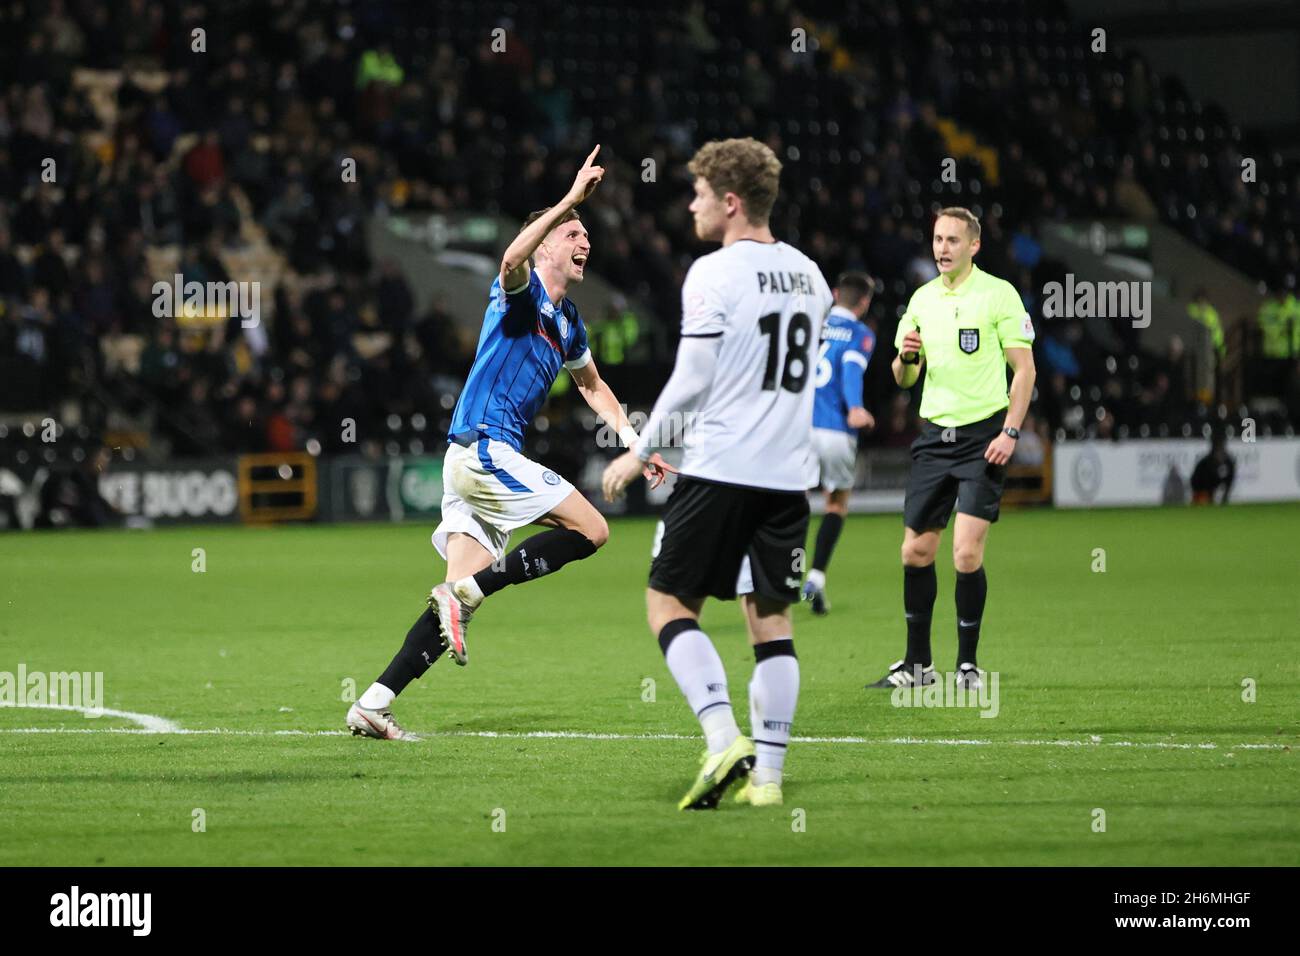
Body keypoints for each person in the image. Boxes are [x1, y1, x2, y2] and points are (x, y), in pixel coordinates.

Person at [347, 146, 669, 740]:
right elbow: (509, 257)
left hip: (468, 462)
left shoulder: (569, 321)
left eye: (585, 233)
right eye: (573, 232)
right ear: (546, 243)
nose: (584, 241)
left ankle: (374, 701)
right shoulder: (519, 295)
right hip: (486, 450)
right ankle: (468, 588)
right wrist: (568, 198)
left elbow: (593, 385)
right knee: (592, 531)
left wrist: (633, 441)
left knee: (456, 605)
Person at [602, 138, 833, 809]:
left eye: (700, 193)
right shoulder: (812, 277)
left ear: (730, 203)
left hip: (723, 467)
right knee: (772, 622)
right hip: (789, 479)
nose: (691, 203)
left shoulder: (711, 274)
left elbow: (693, 380)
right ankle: (767, 781)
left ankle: (723, 735)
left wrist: (638, 448)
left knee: (668, 604)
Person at [867, 207, 1036, 692]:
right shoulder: (920, 301)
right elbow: (904, 379)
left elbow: (1024, 370)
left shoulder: (998, 294)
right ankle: (918, 666)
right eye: (938, 239)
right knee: (916, 550)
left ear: (973, 246)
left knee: (965, 553)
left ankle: (967, 665)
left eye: (952, 241)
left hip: (984, 437)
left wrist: (1010, 431)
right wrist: (905, 357)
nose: (942, 248)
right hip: (933, 438)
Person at [800, 271, 876, 615]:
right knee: (836, 504)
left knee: (790, 501)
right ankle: (815, 575)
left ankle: (782, 573)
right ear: (865, 302)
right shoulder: (861, 334)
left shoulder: (810, 327)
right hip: (834, 429)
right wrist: (856, 406)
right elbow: (850, 369)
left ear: (834, 294)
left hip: (797, 429)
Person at [1190, 434, 1235, 505]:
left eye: (1221, 445)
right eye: (1217, 445)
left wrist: (1224, 496)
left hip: (1218, 493)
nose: (1219, 448)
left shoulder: (1228, 463)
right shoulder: (1205, 463)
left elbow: (1229, 481)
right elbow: (1195, 481)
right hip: (1203, 493)